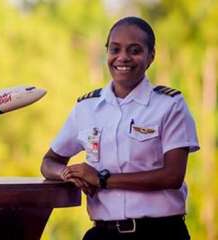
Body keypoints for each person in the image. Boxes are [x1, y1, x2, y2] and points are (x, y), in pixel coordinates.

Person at [41, 16, 199, 240]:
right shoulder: (86, 108)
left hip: (161, 232)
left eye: (134, 50)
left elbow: (172, 175)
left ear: (150, 56)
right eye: (115, 49)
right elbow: (49, 162)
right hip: (103, 233)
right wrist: (68, 174)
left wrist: (102, 179)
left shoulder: (169, 105)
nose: (123, 57)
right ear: (107, 53)